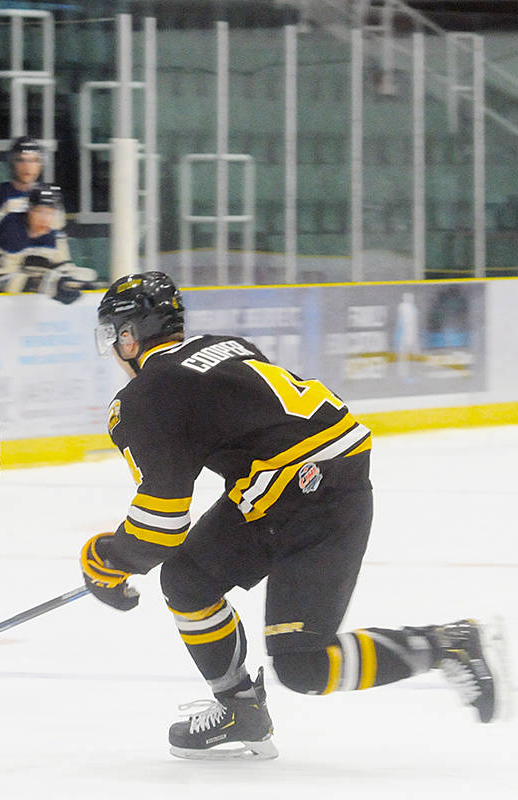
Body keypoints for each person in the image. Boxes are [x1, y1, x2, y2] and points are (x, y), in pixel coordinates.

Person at [81, 271, 506, 761]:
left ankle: (447, 644)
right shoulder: (223, 346)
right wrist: (126, 558)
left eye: (114, 337)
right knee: (188, 580)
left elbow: (162, 523)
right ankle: (240, 711)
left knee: (304, 666)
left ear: (129, 336)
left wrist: (108, 558)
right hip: (307, 483)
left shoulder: (146, 395)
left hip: (309, 493)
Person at [0, 183, 96, 304]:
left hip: (29, 307)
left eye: (50, 212)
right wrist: (47, 284)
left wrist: (74, 282)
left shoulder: (54, 232)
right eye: (39, 211)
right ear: (29, 210)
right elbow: (1, 282)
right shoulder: (10, 229)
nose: (45, 218)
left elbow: (63, 267)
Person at [0, 135, 52, 246]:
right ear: (12, 163)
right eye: (21, 160)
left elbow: (54, 237)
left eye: (33, 160)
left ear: (40, 165)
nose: (27, 167)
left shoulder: (48, 196)